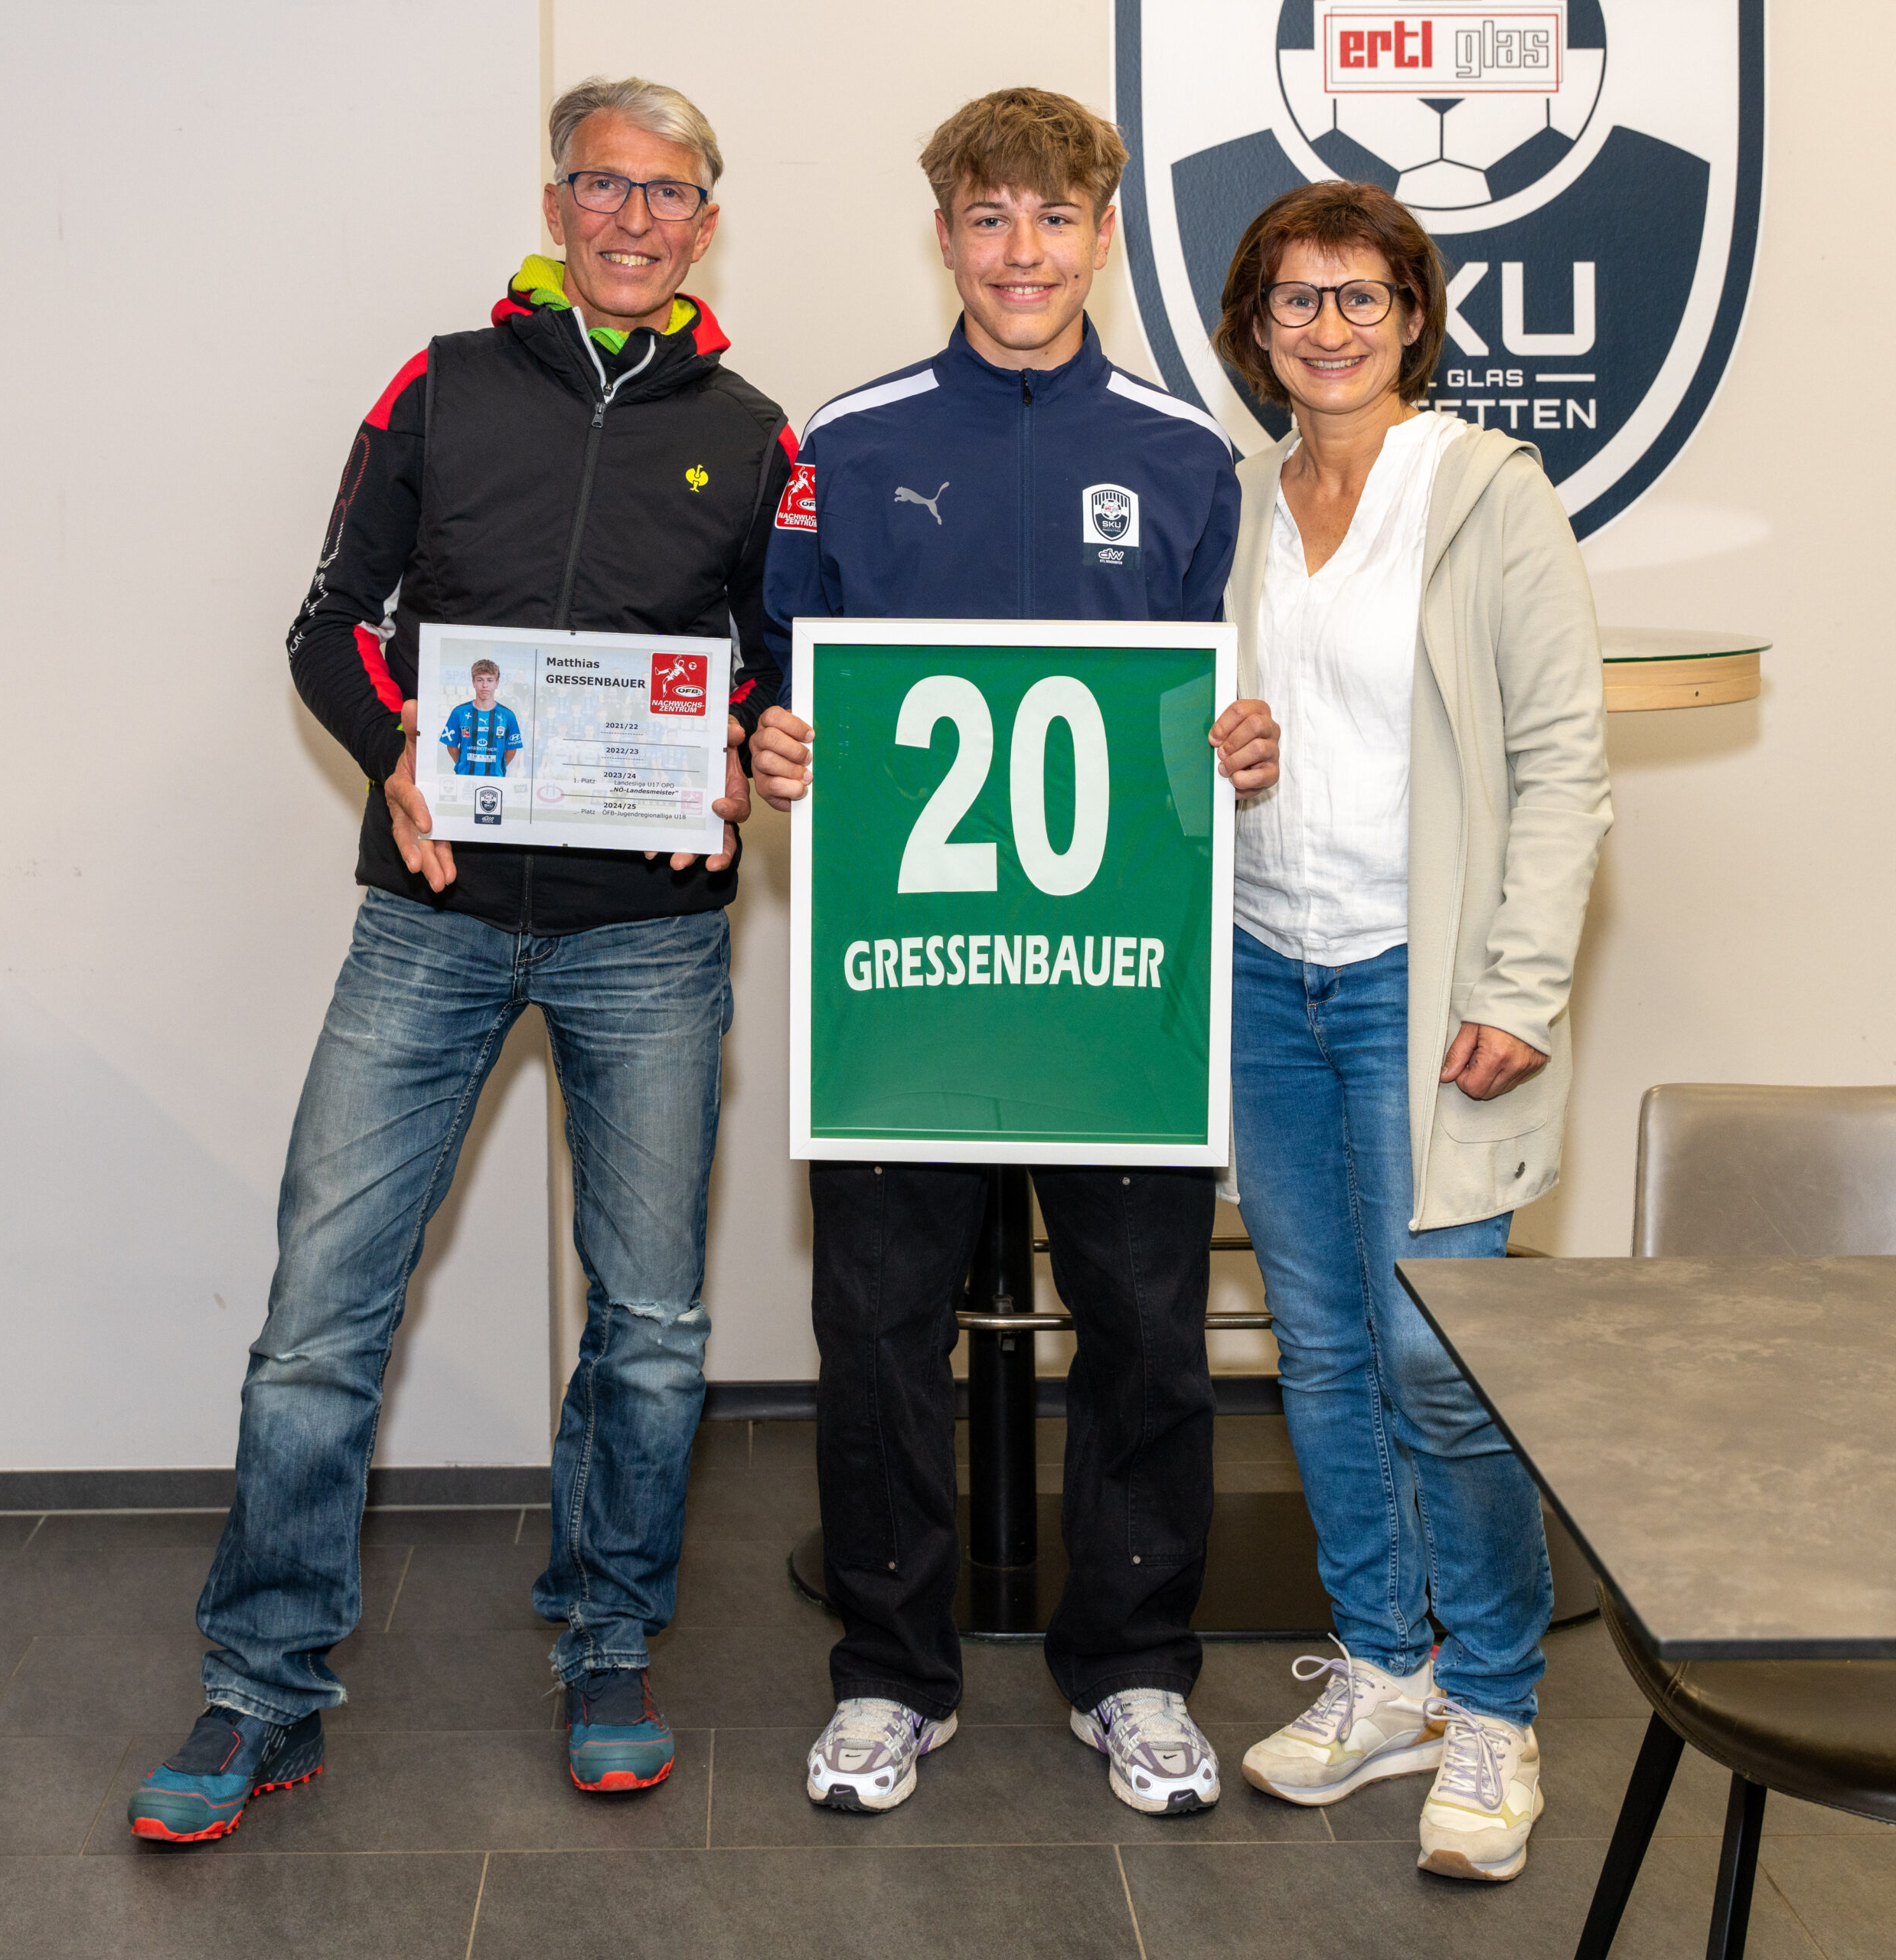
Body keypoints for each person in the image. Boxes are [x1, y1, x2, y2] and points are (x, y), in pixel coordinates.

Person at [126, 75, 794, 1843]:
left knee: (649, 1327)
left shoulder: (753, 433)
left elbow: (774, 667)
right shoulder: (437, 386)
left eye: (669, 192)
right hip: (427, 916)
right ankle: (262, 1681)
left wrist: (747, 749)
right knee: (316, 1317)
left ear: (705, 220)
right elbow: (326, 621)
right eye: (604, 185)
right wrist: (395, 753)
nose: (635, 217)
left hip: (647, 939)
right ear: (556, 203)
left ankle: (607, 1641)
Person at [752, 87, 1281, 1820]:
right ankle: (888, 1677)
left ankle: (1132, 1669)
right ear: (944, 235)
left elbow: (1212, 697)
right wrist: (773, 738)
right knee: (875, 1328)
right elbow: (780, 671)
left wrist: (1235, 745)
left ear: (1101, 237)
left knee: (1144, 1330)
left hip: (1116, 983)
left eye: (1053, 219)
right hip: (902, 980)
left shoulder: (1187, 452)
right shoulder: (847, 437)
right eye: (987, 217)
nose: (1021, 252)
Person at [1205, 179, 1611, 1883]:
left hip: (1419, 982)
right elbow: (1195, 719)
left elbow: (1562, 756)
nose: (1329, 327)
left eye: (1360, 296)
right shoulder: (1234, 497)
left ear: (1413, 317)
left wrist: (1517, 984)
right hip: (1262, 968)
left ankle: (1494, 1705)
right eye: (1295, 300)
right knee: (1317, 1345)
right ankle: (1385, 1672)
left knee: (1439, 1356)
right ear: (1255, 327)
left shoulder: (1485, 491)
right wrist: (1215, 748)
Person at [442, 658, 522, 775]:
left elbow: (512, 749)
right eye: (480, 680)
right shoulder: (459, 712)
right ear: (473, 682)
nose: (485, 685)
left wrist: (498, 768)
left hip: (495, 779)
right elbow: (451, 746)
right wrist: (462, 765)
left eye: (490, 680)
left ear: (497, 683)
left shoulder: (508, 716)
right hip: (465, 778)